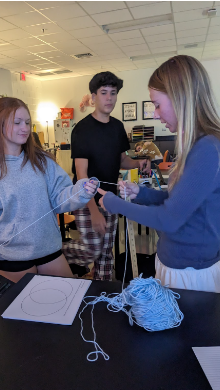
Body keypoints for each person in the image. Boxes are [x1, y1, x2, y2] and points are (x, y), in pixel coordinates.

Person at [97, 55, 220, 293]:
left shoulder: (208, 148)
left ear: (180, 98)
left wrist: (116, 204)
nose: (155, 114)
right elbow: (178, 201)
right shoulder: (196, 145)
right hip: (175, 266)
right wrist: (141, 194)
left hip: (190, 275)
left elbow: (169, 219)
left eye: (157, 104)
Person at [0, 97, 97, 283]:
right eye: (17, 122)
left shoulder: (42, 161)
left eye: (27, 122)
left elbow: (59, 198)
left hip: (49, 249)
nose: (25, 128)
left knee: (65, 304)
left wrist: (82, 191)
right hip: (12, 258)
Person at [62, 71, 151, 281]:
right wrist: (94, 211)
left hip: (110, 199)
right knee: (92, 249)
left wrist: (139, 162)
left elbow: (122, 161)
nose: (109, 98)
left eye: (113, 93)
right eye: (104, 93)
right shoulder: (82, 129)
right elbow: (82, 176)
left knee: (105, 255)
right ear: (93, 97)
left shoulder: (118, 127)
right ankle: (55, 254)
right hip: (85, 200)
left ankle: (102, 296)